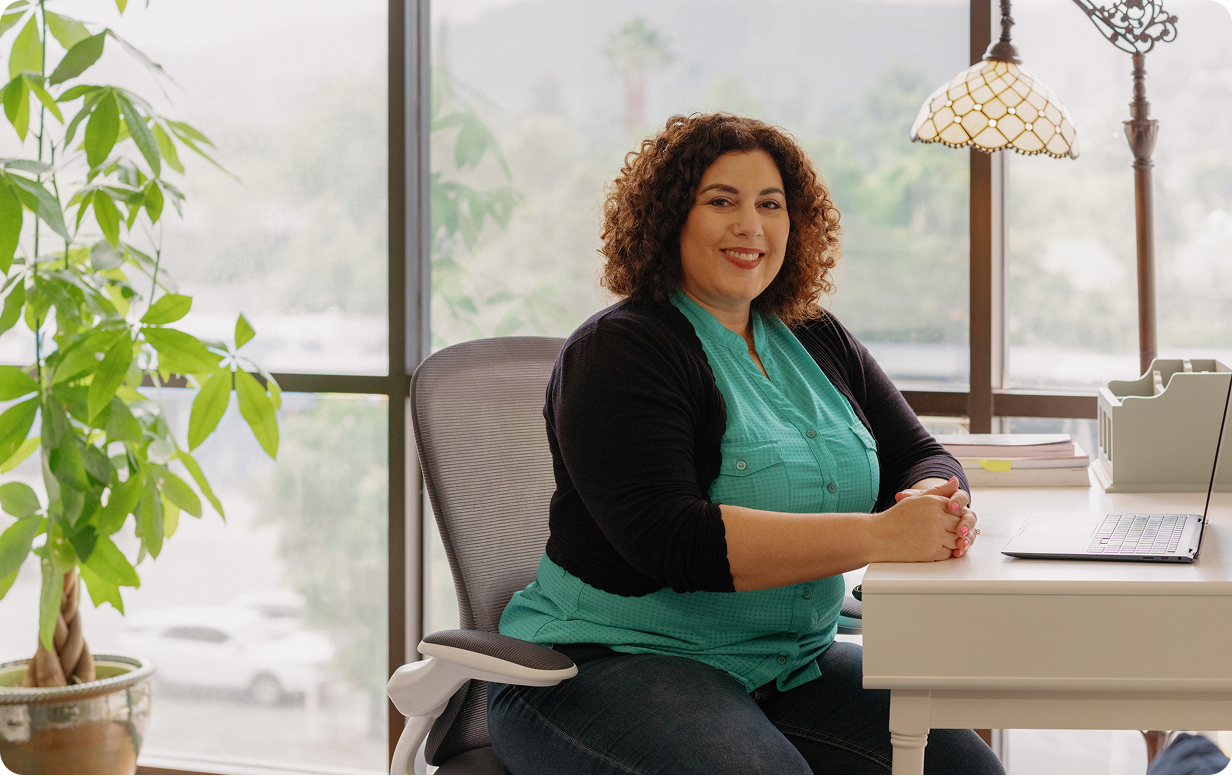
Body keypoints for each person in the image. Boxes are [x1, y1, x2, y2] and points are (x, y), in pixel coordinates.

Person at [487, 113, 1004, 775]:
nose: (751, 226)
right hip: (607, 666)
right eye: (721, 201)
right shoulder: (621, 350)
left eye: (770, 204)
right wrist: (882, 536)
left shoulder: (813, 335)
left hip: (786, 665)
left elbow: (919, 452)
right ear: (670, 217)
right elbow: (675, 541)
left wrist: (929, 497)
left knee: (966, 771)